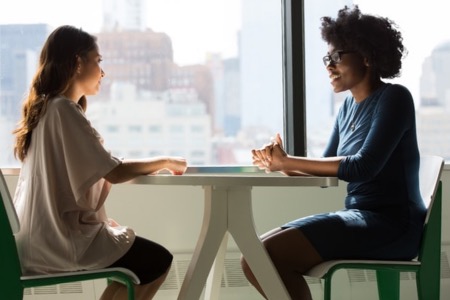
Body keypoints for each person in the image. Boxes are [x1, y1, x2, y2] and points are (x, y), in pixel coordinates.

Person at [241, 5, 424, 300]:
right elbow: (325, 170)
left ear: (366, 55)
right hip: (360, 217)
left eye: (336, 56)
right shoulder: (346, 109)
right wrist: (279, 163)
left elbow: (363, 167)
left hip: (393, 227)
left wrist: (288, 161)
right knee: (253, 259)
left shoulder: (395, 98)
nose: (329, 65)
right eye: (327, 58)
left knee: (263, 257)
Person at [12, 25, 187, 300]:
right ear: (78, 62)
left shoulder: (46, 110)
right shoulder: (63, 110)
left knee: (137, 269)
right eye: (98, 61)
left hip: (36, 240)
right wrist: (164, 160)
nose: (103, 72)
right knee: (157, 261)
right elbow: (114, 171)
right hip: (59, 243)